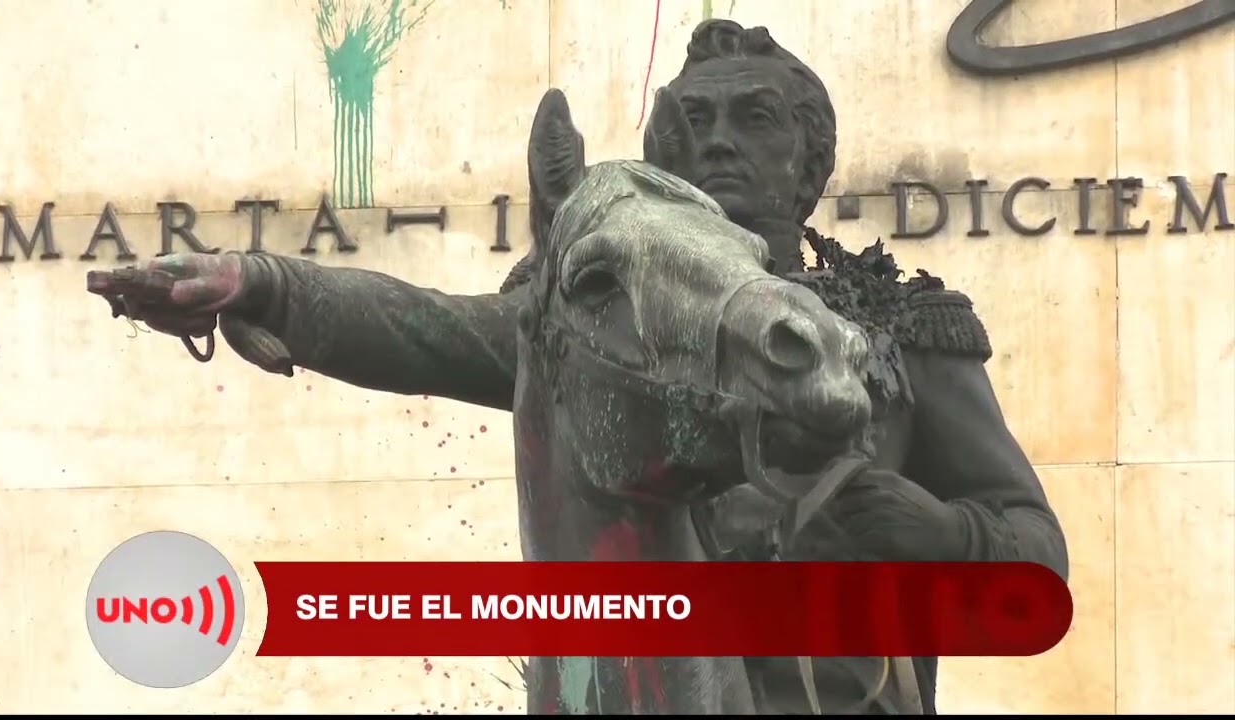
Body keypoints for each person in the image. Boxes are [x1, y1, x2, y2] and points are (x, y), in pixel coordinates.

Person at [87, 20, 1068, 714]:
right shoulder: (605, 319)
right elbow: (424, 327)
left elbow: (1036, 557)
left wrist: (937, 528)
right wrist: (258, 281)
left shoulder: (903, 324)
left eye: (755, 119)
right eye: (698, 124)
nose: (721, 141)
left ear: (811, 161)